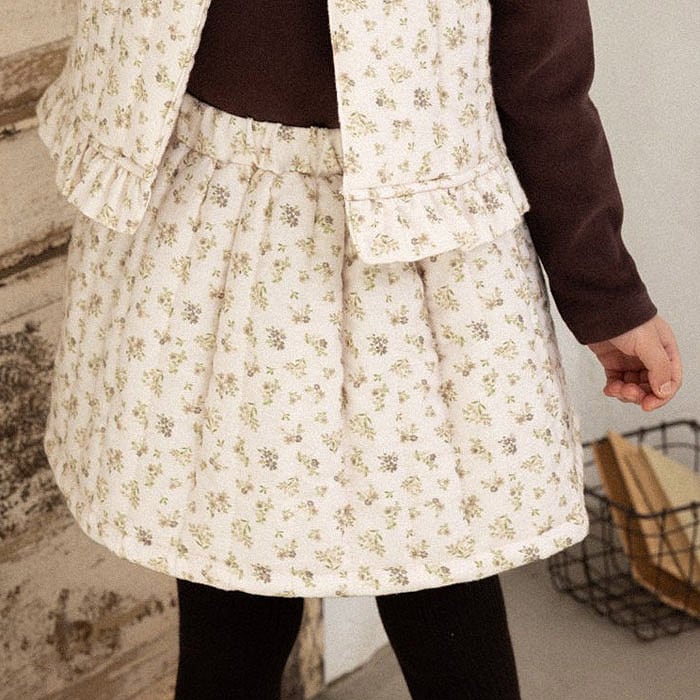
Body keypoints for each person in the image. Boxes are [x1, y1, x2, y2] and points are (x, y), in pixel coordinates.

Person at [36, 1, 682, 698]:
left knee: (438, 566)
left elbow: (542, 81)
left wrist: (605, 295)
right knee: (230, 585)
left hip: (417, 269)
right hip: (214, 238)